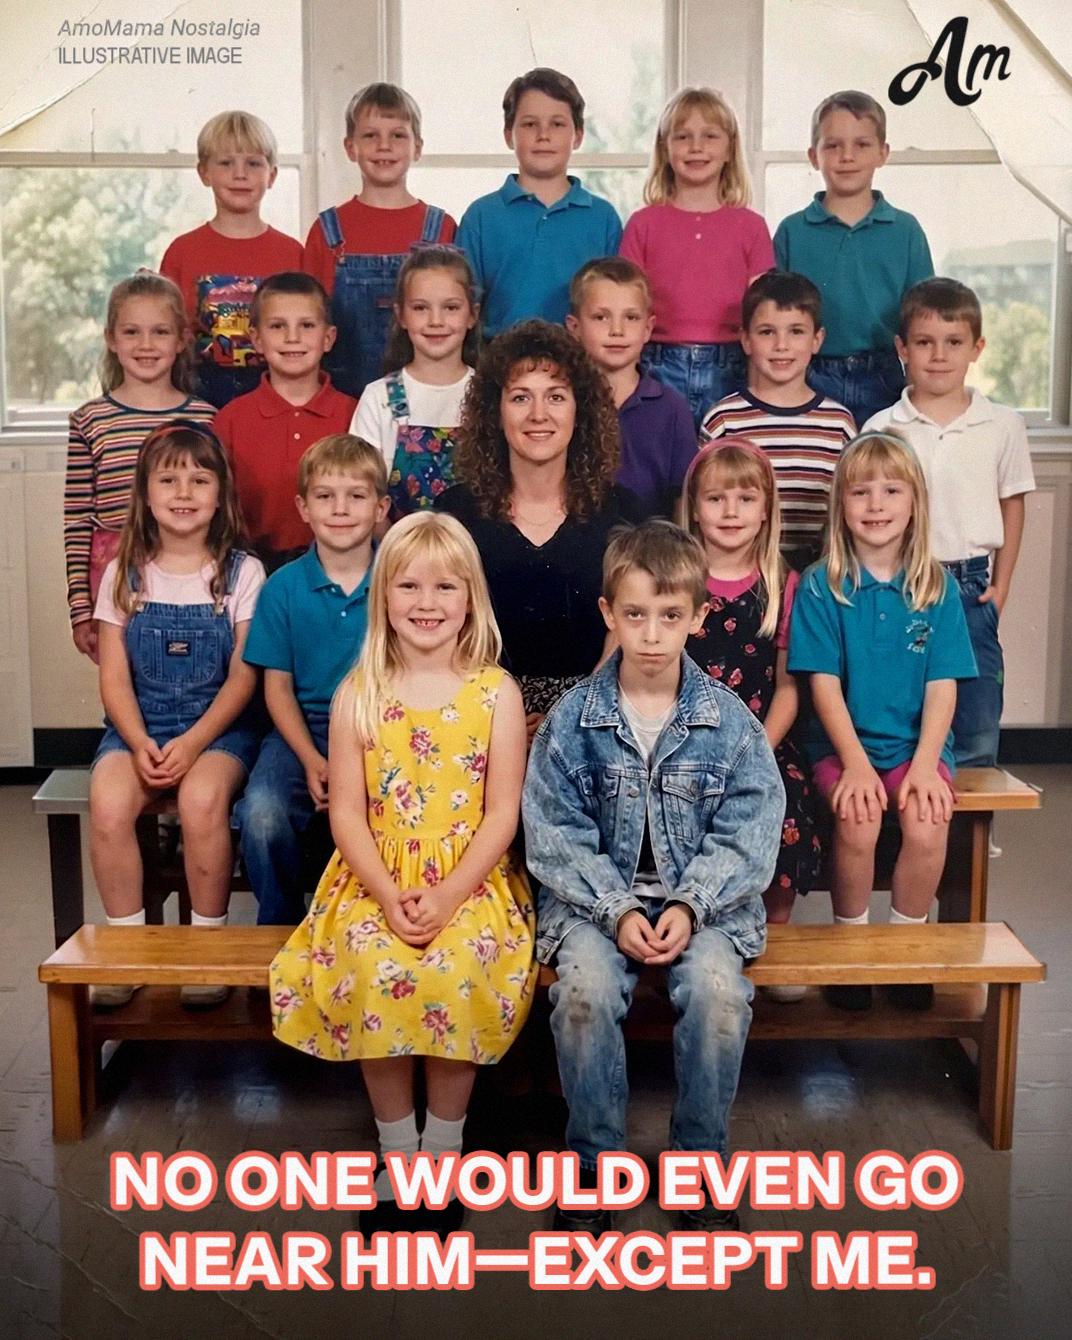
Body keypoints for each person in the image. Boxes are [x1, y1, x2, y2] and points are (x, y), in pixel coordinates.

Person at [270, 511, 536, 1234]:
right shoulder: (358, 692)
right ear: (383, 595)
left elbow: (501, 814)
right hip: (374, 876)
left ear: (471, 598)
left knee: (453, 968)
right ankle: (396, 1153)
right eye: (409, 586)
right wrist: (388, 894)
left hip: (471, 879)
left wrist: (448, 894)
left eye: (445, 587)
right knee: (374, 962)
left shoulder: (496, 694)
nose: (427, 602)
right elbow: (347, 814)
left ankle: (441, 1154)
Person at [523, 520, 784, 1233]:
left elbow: (751, 831)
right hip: (590, 903)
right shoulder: (572, 720)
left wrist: (691, 904)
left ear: (699, 616)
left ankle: (699, 1164)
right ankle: (592, 1168)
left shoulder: (729, 722)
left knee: (718, 993)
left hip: (705, 904)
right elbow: (553, 833)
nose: (651, 634)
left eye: (670, 616)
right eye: (635, 615)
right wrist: (615, 908)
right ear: (608, 614)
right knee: (583, 992)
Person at [788, 433, 977, 1011]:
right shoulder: (822, 584)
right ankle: (851, 948)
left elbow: (943, 686)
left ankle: (905, 948)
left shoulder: (936, 586)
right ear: (840, 505)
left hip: (916, 748)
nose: (876, 505)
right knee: (859, 814)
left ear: (915, 503)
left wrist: (924, 766)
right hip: (843, 749)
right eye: (861, 492)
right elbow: (822, 685)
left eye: (892, 491)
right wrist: (855, 766)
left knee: (928, 820)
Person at [88, 424, 264, 1009]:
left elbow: (243, 677)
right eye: (168, 480)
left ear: (221, 494)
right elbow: (114, 678)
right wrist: (138, 740)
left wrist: (192, 744)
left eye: (199, 479)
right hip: (138, 727)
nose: (183, 492)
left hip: (218, 731)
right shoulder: (124, 572)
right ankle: (127, 949)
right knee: (108, 803)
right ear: (145, 492)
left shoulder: (242, 573)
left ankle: (206, 948)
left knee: (201, 801)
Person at [436, 320, 642, 730]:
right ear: (495, 412)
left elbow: (633, 624)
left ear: (580, 410)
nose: (538, 415)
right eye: (520, 398)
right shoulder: (455, 513)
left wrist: (574, 715)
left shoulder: (622, 512)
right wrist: (501, 716)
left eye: (556, 396)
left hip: (597, 717)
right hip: (476, 713)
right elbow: (441, 631)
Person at [863, 277, 1034, 768]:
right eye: (924, 343)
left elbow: (1012, 503)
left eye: (954, 342)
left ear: (977, 348)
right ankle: (910, 800)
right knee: (902, 703)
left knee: (975, 706)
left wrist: (1001, 586)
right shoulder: (882, 426)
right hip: (901, 581)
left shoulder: (1002, 424)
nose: (939, 356)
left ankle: (974, 812)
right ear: (902, 349)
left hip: (970, 585)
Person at [237, 435, 390, 925]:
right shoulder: (281, 588)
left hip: (382, 729)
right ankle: (280, 927)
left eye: (356, 496)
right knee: (262, 814)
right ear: (304, 508)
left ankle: (370, 925)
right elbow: (277, 688)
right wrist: (310, 758)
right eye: (325, 496)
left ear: (381, 508)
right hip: (302, 731)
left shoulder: (400, 580)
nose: (340, 509)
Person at [680, 441, 822, 952]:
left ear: (766, 510)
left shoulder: (783, 585)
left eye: (745, 499)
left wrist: (754, 749)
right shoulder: (677, 579)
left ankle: (774, 935)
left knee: (782, 805)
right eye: (716, 499)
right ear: (695, 509)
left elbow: (787, 688)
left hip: (762, 741)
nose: (731, 512)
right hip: (683, 740)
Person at [65, 273, 215, 663]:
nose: (145, 345)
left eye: (160, 332)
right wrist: (80, 607)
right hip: (114, 576)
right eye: (131, 332)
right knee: (122, 679)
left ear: (181, 339)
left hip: (191, 572)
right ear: (111, 339)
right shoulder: (89, 420)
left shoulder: (207, 419)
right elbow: (78, 519)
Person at [773, 90, 933, 430]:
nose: (847, 156)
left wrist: (922, 388)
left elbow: (923, 320)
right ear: (813, 156)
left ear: (883, 153)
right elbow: (772, 315)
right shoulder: (792, 231)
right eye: (833, 145)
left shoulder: (905, 230)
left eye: (862, 144)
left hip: (884, 376)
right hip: (809, 375)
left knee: (882, 462)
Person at [620, 87, 773, 427]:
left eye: (710, 136)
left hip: (732, 364)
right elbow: (626, 303)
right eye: (683, 136)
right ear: (665, 148)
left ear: (729, 148)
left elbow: (762, 310)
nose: (696, 147)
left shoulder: (751, 226)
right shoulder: (643, 223)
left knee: (726, 457)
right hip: (657, 362)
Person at [302, 83, 456, 399]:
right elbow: (309, 322)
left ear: (417, 147)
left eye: (397, 135)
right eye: (370, 135)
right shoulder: (327, 231)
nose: (384, 146)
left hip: (426, 398)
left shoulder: (442, 229)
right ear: (350, 147)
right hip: (345, 400)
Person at [700, 270, 855, 569]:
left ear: (817, 339)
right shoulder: (723, 420)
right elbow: (704, 501)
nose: (781, 345)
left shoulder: (839, 424)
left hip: (818, 573)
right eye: (767, 332)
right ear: (746, 339)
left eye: (796, 331)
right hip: (743, 571)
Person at [456, 68, 621, 338]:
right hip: (499, 359)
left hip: (580, 360)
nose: (543, 135)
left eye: (557, 124)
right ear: (508, 135)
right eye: (530, 124)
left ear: (578, 136)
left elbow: (617, 304)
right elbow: (461, 307)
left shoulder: (603, 218)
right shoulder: (481, 217)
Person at [212, 273, 357, 571]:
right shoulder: (230, 420)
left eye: (307, 326)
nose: (293, 338)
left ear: (328, 338)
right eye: (278, 326)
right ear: (256, 339)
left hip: (340, 568)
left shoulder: (354, 414)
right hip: (249, 570)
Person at [160, 110, 302, 409]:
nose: (240, 174)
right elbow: (167, 335)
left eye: (253, 163)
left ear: (272, 175)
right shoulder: (182, 252)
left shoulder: (292, 253)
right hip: (198, 398)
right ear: (204, 173)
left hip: (277, 395)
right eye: (226, 163)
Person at [351, 243, 480, 515]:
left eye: (451, 307)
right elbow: (361, 494)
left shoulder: (488, 393)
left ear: (472, 315)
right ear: (401, 316)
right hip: (395, 541)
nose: (436, 321)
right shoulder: (380, 398)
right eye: (421, 308)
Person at [566, 256, 695, 518]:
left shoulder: (671, 409)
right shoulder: (561, 404)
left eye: (631, 317)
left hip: (650, 541)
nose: (617, 330)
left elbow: (683, 498)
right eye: (601, 317)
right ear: (574, 327)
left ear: (648, 328)